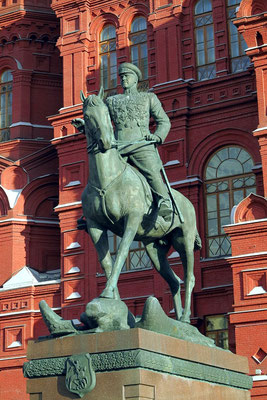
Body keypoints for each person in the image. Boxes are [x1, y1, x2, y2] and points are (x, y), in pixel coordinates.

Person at [105, 62, 172, 220]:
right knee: (102, 173)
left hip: (141, 144)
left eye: (127, 76)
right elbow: (101, 122)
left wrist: (157, 136)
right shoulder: (112, 101)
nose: (123, 79)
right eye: (121, 77)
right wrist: (85, 126)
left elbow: (164, 121)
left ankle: (164, 202)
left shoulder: (148, 98)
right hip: (118, 146)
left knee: (152, 172)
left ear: (135, 79)